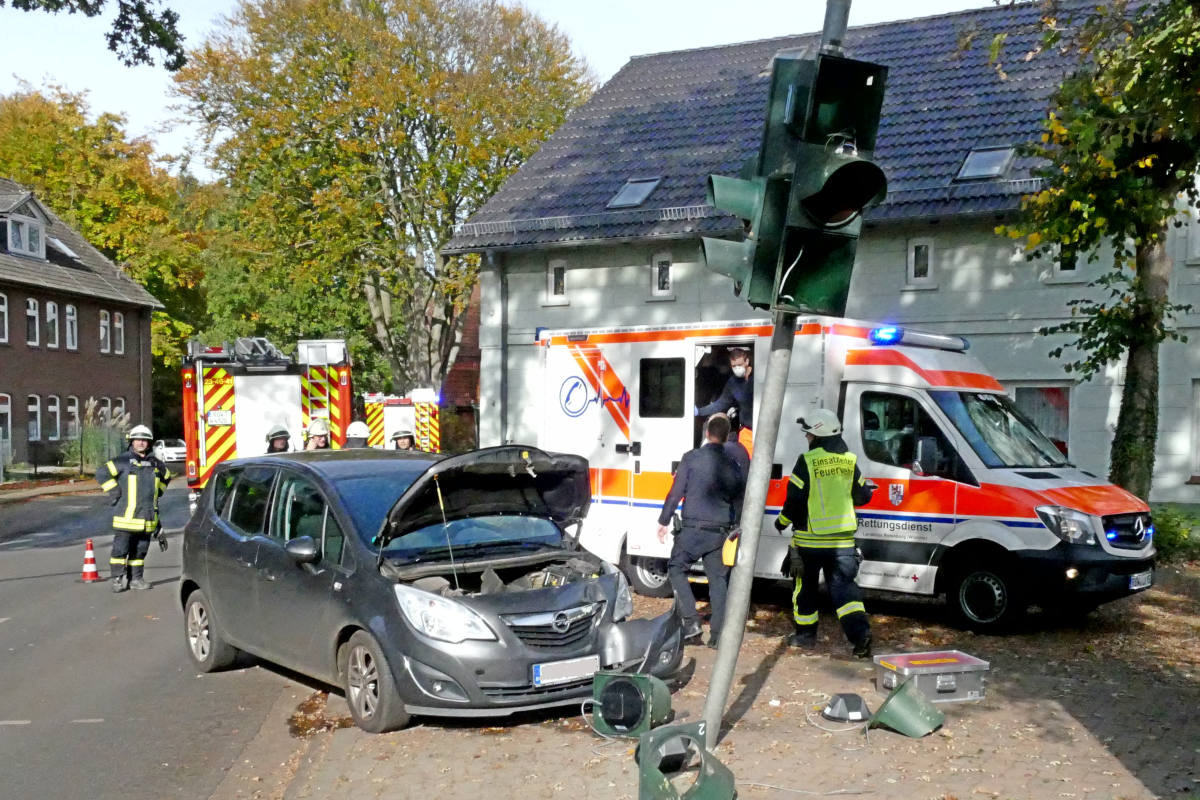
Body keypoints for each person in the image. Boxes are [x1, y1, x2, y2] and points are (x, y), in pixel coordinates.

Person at [775, 408, 877, 658]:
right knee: (845, 592)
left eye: (808, 434)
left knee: (805, 589)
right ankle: (860, 636)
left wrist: (781, 521)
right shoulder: (849, 461)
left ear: (817, 435)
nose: (807, 438)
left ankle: (805, 636)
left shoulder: (807, 461)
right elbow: (863, 496)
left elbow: (795, 500)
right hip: (842, 543)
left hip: (809, 542)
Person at [656, 414, 745, 648]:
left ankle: (691, 623)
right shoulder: (732, 464)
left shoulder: (691, 458)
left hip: (692, 530)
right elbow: (739, 500)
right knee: (718, 580)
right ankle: (718, 636)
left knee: (676, 568)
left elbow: (676, 492)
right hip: (719, 533)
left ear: (707, 433)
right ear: (726, 437)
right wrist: (735, 528)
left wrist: (664, 520)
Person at [96, 424, 170, 593]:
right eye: (138, 440)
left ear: (149, 443)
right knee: (120, 551)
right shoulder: (123, 461)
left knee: (140, 552)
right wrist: (114, 491)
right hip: (126, 519)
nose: (141, 443)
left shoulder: (156, 464)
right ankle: (117, 579)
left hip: (147, 520)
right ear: (132, 442)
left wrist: (157, 494)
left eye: (144, 440)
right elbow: (102, 473)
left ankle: (136, 579)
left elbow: (166, 477)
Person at [696, 348, 755, 456]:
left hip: (763, 429)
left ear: (747, 361)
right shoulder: (733, 383)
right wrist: (699, 411)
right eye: (733, 366)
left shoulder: (757, 378)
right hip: (747, 431)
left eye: (739, 364)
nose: (737, 368)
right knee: (746, 461)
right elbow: (721, 404)